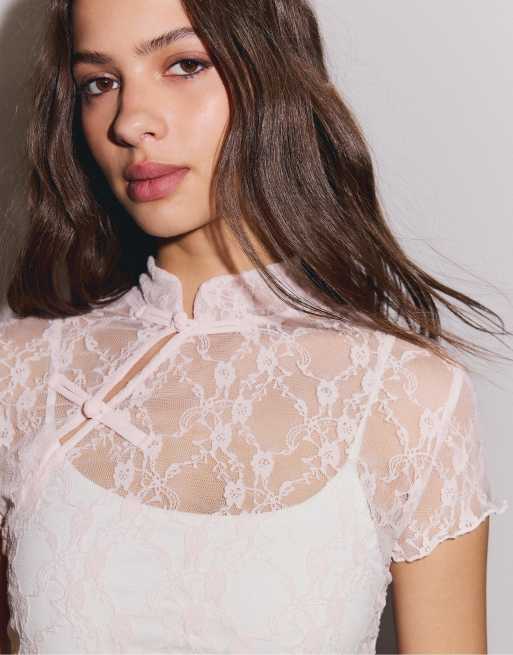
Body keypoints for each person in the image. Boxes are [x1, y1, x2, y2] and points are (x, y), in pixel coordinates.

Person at [0, 0, 510, 653]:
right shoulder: (22, 373)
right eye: (100, 82)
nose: (129, 121)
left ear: (271, 69)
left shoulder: (407, 395)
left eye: (184, 65)